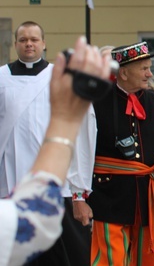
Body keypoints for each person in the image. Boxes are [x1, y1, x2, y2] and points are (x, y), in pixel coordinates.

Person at [69, 41, 154, 265]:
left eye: (149, 67)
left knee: (149, 259)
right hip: (107, 197)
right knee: (109, 260)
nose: (149, 74)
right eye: (143, 69)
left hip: (148, 200)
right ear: (123, 72)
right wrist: (78, 197)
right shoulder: (95, 103)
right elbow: (81, 151)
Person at [0, 36, 111, 266]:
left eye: (34, 39)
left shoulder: (56, 76)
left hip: (58, 186)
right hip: (11, 177)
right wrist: (65, 120)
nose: (29, 44)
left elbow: (84, 133)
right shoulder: (2, 76)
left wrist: (79, 188)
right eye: (23, 39)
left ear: (43, 43)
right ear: (15, 44)